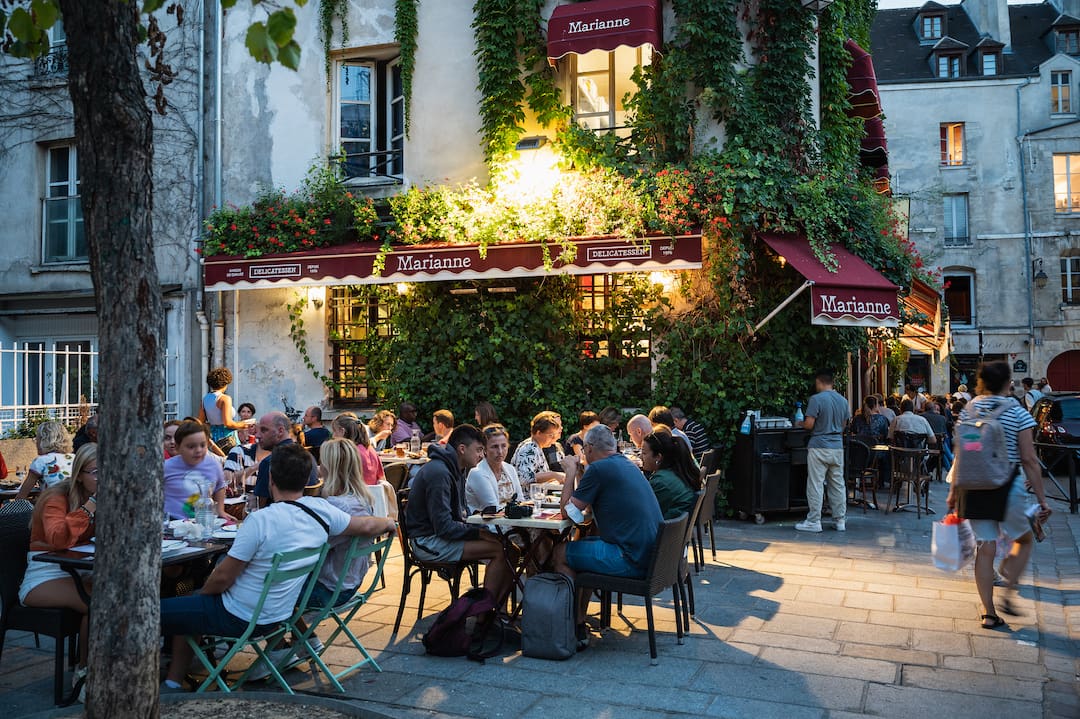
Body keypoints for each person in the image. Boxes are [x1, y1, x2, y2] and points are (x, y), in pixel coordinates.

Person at [159, 442, 396, 692]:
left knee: (157, 611)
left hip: (240, 616)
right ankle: (174, 680)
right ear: (308, 479)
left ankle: (160, 678)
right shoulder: (322, 512)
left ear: (270, 478)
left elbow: (222, 578)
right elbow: (367, 526)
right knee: (191, 608)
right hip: (280, 615)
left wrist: (205, 595)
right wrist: (389, 522)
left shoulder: (260, 520)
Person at [946, 361, 1051, 630]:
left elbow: (963, 451)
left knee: (985, 546)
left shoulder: (969, 408)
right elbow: (1029, 458)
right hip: (1007, 485)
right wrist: (1041, 498)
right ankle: (1009, 584)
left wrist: (953, 490)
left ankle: (989, 613)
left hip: (973, 487)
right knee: (1025, 539)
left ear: (980, 382)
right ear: (1008, 382)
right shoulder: (1016, 410)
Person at [554, 425, 664, 648]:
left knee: (559, 553)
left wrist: (570, 472)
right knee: (579, 546)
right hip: (651, 558)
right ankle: (578, 621)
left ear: (589, 448)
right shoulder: (626, 463)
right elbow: (584, 511)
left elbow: (567, 512)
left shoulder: (599, 469)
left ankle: (570, 624)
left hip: (630, 559)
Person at [19, 443, 99, 692]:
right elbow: (57, 539)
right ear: (79, 474)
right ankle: (86, 673)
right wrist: (91, 507)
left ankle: (117, 663)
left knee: (124, 593)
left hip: (80, 568)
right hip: (44, 574)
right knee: (98, 603)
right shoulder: (56, 497)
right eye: (96, 472)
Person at [404, 425, 513, 602]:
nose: (482, 455)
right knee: (502, 550)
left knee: (509, 548)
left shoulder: (456, 468)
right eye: (479, 450)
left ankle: (496, 609)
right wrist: (479, 532)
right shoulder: (439, 473)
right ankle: (485, 615)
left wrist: (480, 522)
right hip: (427, 541)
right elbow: (444, 526)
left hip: (440, 536)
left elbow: (461, 514)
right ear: (462, 449)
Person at [796, 369, 850, 533]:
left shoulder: (816, 399)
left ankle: (814, 521)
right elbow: (844, 424)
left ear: (819, 382)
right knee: (837, 484)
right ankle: (840, 520)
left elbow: (809, 424)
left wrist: (799, 423)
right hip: (837, 447)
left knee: (815, 484)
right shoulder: (843, 400)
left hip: (819, 445)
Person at [163, 420, 230, 521]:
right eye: (191, 446)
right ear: (178, 447)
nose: (198, 450)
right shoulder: (167, 467)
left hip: (204, 521)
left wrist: (220, 510)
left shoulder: (213, 464)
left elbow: (219, 486)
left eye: (202, 445)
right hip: (174, 523)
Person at [251, 411, 318, 508]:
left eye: (264, 430)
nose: (257, 435)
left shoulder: (272, 462)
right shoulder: (308, 457)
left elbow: (258, 507)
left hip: (276, 520)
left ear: (280, 431)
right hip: (307, 516)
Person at [641, 426, 700, 519]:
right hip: (676, 529)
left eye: (644, 453)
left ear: (658, 457)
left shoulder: (660, 482)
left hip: (665, 531)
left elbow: (645, 513)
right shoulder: (677, 472)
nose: (640, 457)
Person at [465, 424, 524, 513]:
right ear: (484, 449)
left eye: (503, 446)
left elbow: (520, 500)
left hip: (512, 522)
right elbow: (492, 509)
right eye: (494, 447)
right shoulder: (477, 473)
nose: (500, 451)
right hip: (487, 524)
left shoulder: (510, 469)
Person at [15, 420, 74, 500]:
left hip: (52, 506)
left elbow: (21, 496)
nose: (36, 443)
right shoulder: (74, 458)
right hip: (75, 505)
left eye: (37, 439)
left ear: (44, 440)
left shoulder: (41, 461)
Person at [197, 367, 250, 450]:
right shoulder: (224, 398)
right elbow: (228, 423)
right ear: (226, 383)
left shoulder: (205, 399)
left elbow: (200, 421)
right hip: (227, 437)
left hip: (212, 436)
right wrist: (242, 424)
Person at [511, 411, 566, 487]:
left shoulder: (537, 446)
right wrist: (553, 475)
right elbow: (524, 478)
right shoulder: (529, 448)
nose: (554, 438)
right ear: (538, 433)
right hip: (527, 497)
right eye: (550, 435)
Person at [331, 414, 385, 486]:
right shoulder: (370, 449)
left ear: (342, 431)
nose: (333, 436)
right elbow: (381, 477)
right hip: (372, 494)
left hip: (353, 495)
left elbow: (333, 477)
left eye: (335, 431)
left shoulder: (348, 452)